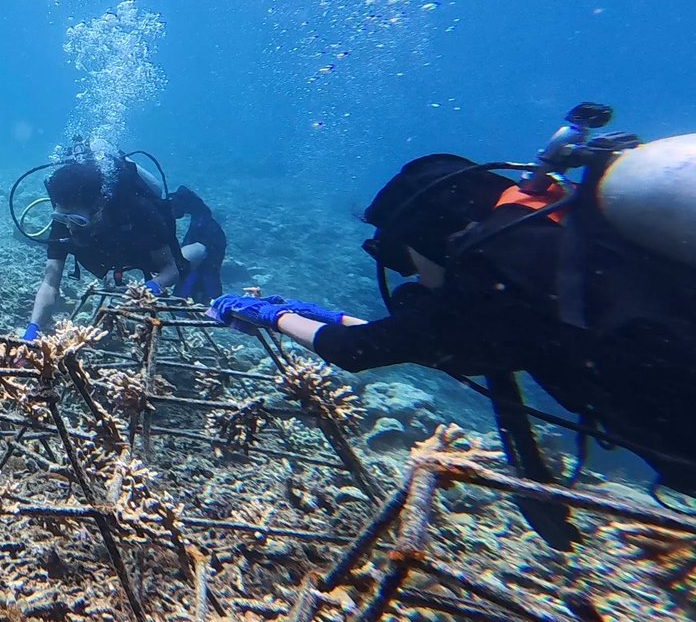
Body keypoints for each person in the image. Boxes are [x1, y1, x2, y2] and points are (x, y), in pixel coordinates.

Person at [210, 149, 696, 549]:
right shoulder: (536, 248)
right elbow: (425, 339)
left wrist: (274, 317)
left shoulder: (494, 270)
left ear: (426, 234)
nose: (411, 275)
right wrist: (321, 316)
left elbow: (358, 350)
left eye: (406, 259)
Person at [24, 154, 225, 338]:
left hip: (133, 241)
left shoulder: (138, 210)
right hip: (105, 247)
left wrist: (150, 287)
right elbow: (50, 283)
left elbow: (170, 268)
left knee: (179, 264)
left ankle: (203, 242)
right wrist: (32, 329)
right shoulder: (64, 220)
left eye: (77, 220)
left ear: (99, 207)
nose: (68, 226)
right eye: (62, 217)